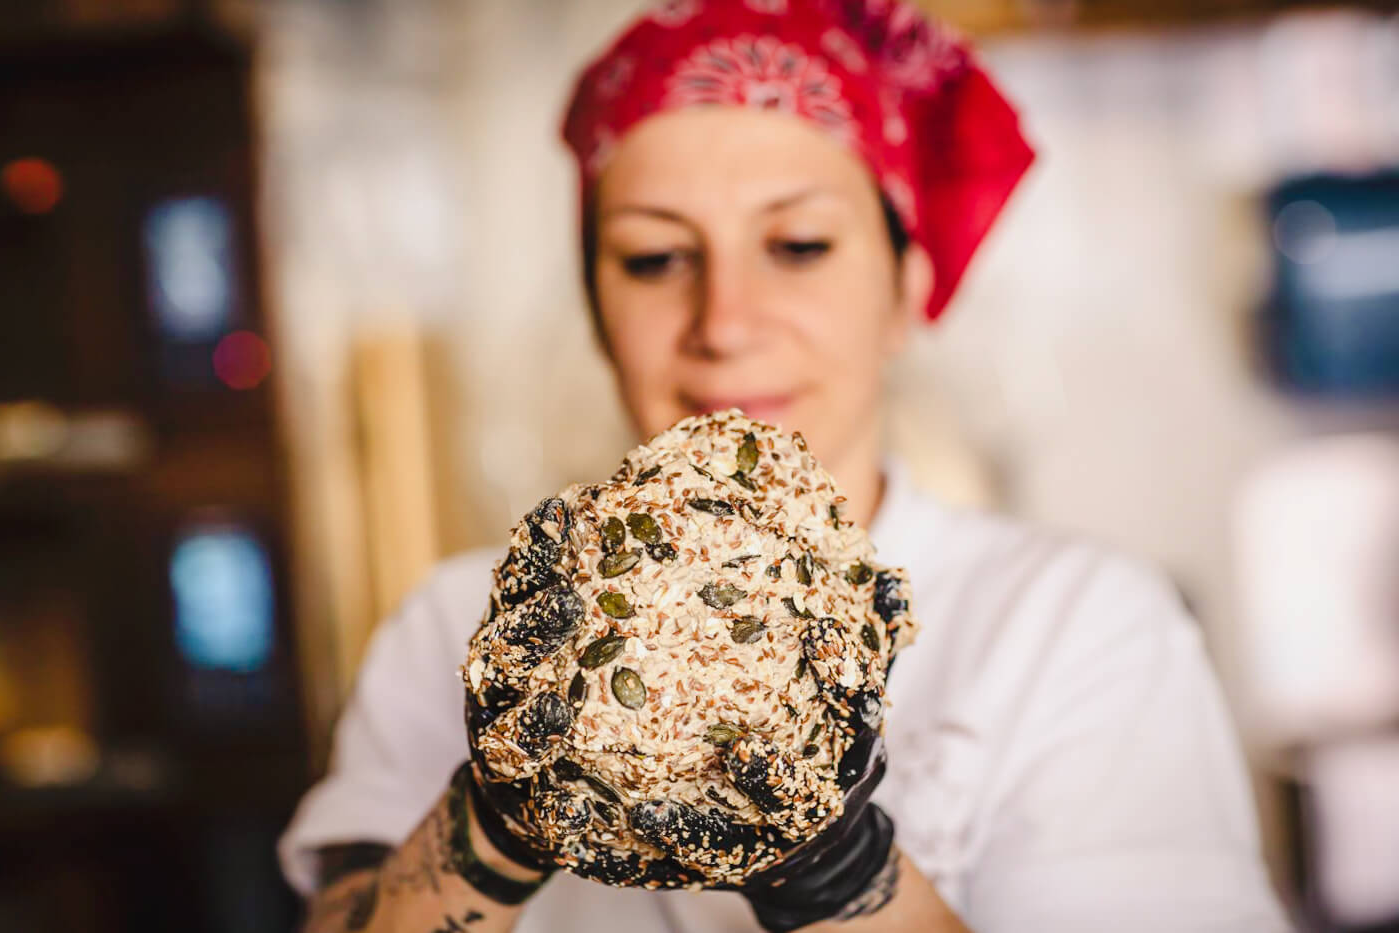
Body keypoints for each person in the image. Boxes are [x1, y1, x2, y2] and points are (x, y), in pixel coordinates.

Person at [278, 2, 1291, 931]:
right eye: (652, 257)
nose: (724, 323)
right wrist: (502, 809)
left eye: (797, 245)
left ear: (905, 286)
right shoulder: (450, 630)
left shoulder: (1075, 627)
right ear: (595, 310)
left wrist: (831, 859)